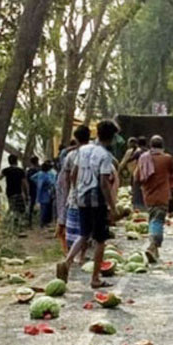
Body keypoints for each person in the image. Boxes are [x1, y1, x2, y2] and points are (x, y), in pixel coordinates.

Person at [56, 119, 120, 288]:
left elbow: (73, 174)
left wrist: (76, 191)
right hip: (96, 199)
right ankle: (95, 278)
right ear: (112, 137)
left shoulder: (83, 150)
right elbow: (104, 183)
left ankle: (67, 262)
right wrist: (112, 207)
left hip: (81, 197)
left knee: (84, 234)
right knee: (100, 239)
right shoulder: (105, 155)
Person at [137, 135, 173, 261]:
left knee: (153, 219)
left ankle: (155, 251)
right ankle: (152, 246)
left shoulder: (143, 158)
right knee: (157, 221)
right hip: (162, 195)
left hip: (148, 195)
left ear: (151, 146)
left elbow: (137, 177)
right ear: (162, 146)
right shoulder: (167, 158)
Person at [58, 127, 91, 263]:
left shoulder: (70, 156)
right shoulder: (93, 154)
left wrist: (66, 195)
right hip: (89, 197)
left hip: (74, 197)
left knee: (72, 229)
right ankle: (81, 256)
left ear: (76, 138)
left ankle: (71, 255)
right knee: (85, 229)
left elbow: (65, 179)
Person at [0, 154, 30, 229]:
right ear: (16, 161)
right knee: (20, 209)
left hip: (9, 192)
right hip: (18, 192)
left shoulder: (6, 170)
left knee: (12, 208)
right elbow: (24, 183)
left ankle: (11, 225)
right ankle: (17, 225)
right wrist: (27, 194)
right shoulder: (20, 171)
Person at [119, 137, 148, 211]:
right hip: (147, 172)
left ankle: (138, 204)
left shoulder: (138, 152)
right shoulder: (148, 151)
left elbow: (131, 159)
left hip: (139, 172)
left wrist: (126, 163)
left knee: (137, 188)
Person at [33, 160, 58, 228]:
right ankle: (43, 222)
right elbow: (51, 183)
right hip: (45, 192)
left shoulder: (40, 173)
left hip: (43, 193)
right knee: (45, 209)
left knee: (43, 208)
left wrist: (36, 182)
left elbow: (32, 178)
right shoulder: (46, 175)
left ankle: (43, 222)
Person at [24, 156, 40, 227]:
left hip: (31, 189)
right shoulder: (38, 171)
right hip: (37, 189)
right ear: (36, 162)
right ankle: (39, 221)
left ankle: (29, 221)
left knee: (31, 205)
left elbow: (26, 181)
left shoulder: (28, 171)